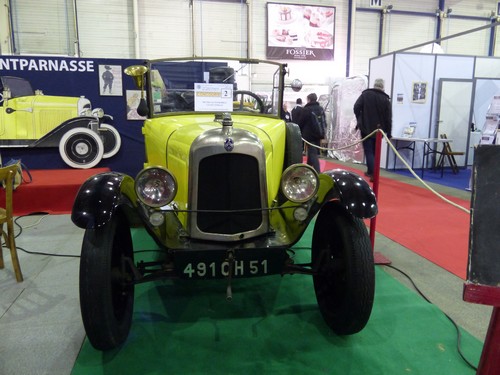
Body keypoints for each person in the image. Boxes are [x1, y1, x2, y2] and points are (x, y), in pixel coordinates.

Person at [353, 78, 392, 181]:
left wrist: (360, 119)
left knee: (369, 151)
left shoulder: (365, 95)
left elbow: (356, 107)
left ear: (374, 85)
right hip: (379, 130)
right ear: (383, 86)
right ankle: (372, 172)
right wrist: (389, 132)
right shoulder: (385, 99)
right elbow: (389, 118)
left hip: (366, 128)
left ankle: (372, 173)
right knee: (375, 152)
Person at [299, 93, 326, 173]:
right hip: (319, 134)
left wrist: (299, 131)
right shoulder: (320, 109)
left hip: (309, 135)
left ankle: (318, 173)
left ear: (309, 99)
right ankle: (308, 168)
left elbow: (301, 122)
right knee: (312, 152)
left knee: (313, 154)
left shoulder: (306, 109)